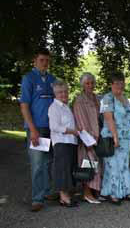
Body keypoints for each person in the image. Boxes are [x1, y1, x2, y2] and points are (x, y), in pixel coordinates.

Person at [19, 48, 57, 212]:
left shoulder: (52, 79)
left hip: (51, 128)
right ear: (35, 61)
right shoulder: (29, 78)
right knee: (37, 164)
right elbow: (24, 106)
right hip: (37, 128)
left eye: (47, 60)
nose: (45, 63)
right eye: (42, 60)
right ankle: (37, 198)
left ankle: (47, 191)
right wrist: (33, 129)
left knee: (49, 162)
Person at [100, 72, 130, 205]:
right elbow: (109, 119)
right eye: (117, 83)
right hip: (111, 137)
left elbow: (129, 119)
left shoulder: (125, 98)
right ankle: (113, 193)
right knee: (113, 166)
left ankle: (126, 191)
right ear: (111, 84)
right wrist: (115, 137)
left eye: (122, 83)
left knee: (124, 166)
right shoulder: (106, 99)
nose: (120, 85)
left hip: (125, 137)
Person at [48, 80, 79, 207]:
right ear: (55, 93)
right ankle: (63, 198)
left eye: (65, 91)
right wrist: (71, 131)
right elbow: (54, 127)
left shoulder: (66, 107)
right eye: (60, 92)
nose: (64, 94)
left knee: (69, 168)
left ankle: (67, 195)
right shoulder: (54, 107)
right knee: (62, 169)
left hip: (71, 142)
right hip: (61, 142)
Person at [72, 73, 102, 204]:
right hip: (87, 139)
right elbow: (80, 122)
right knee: (86, 165)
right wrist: (88, 139)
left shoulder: (96, 98)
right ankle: (86, 193)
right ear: (82, 85)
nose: (90, 85)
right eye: (87, 83)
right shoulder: (79, 100)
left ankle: (95, 191)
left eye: (92, 83)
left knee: (95, 165)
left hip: (98, 137)